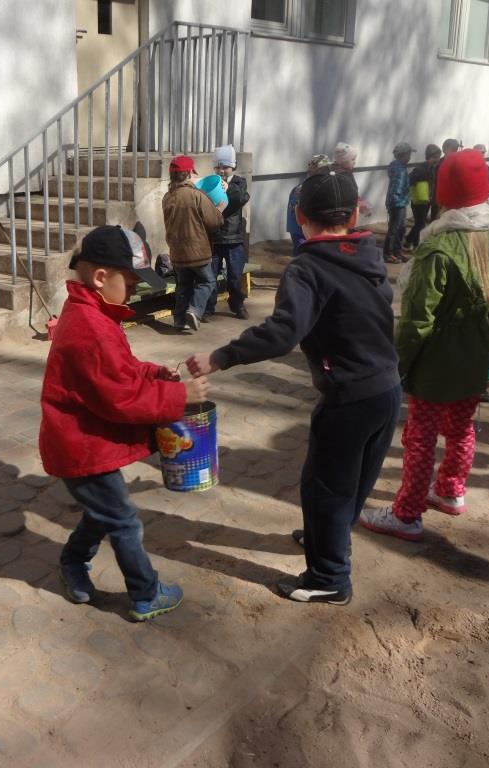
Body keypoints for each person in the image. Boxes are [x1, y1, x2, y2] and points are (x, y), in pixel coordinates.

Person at [186, 170, 400, 605]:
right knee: (355, 480)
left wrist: (220, 356)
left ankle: (329, 578)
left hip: (348, 397)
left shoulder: (308, 268)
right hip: (387, 388)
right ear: (355, 215)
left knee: (324, 487)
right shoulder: (367, 254)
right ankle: (332, 537)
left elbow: (282, 333)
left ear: (299, 216)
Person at [41, 225, 209, 620]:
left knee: (102, 513)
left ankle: (72, 562)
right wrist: (180, 397)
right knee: (124, 521)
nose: (133, 292)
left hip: (85, 441)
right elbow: (120, 398)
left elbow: (121, 369)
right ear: (101, 277)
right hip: (81, 446)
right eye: (131, 284)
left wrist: (154, 374)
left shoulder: (93, 313)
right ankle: (146, 594)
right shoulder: (90, 328)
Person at [359, 150, 489, 541]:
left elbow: (417, 319)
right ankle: (451, 491)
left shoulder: (436, 248)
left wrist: (398, 364)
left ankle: (407, 513)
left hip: (435, 366)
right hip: (475, 359)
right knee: (461, 430)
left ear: (443, 193)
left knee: (420, 437)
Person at [162, 155, 224, 332]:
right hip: (197, 250)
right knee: (207, 281)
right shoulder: (196, 195)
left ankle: (179, 320)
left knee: (183, 285)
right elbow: (214, 222)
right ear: (189, 173)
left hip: (177, 251)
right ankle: (195, 310)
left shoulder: (167, 197)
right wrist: (219, 210)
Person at [204, 144, 251, 319]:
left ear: (233, 167)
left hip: (233, 238)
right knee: (211, 276)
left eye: (225, 167)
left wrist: (227, 187)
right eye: (218, 167)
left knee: (234, 276)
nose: (221, 171)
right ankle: (208, 307)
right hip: (215, 238)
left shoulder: (239, 182)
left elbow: (240, 198)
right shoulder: (211, 182)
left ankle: (237, 304)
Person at [286, 154, 332, 255]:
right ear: (318, 171)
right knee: (304, 253)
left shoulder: (313, 185)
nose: (328, 172)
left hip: (303, 228)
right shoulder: (304, 188)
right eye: (326, 169)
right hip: (301, 230)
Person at [405, 144, 441, 247]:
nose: (437, 160)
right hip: (418, 201)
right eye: (435, 157)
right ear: (428, 157)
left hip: (426, 200)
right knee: (420, 224)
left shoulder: (432, 168)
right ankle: (415, 245)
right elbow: (409, 181)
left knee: (419, 223)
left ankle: (408, 241)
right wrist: (417, 189)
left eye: (438, 157)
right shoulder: (420, 169)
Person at [384, 142, 413, 263]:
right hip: (397, 203)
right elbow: (397, 187)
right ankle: (388, 253)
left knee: (401, 228)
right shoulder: (399, 169)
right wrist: (395, 203)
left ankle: (397, 251)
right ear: (403, 155)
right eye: (409, 154)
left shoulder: (400, 167)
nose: (410, 157)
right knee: (394, 229)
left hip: (401, 202)